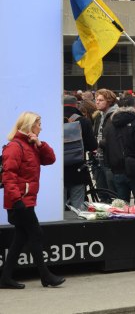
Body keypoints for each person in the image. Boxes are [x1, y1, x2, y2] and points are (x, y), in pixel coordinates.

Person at [0, 112, 65, 289]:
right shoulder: (15, 147)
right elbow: (8, 176)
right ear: (29, 125)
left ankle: (5, 278)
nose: (41, 127)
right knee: (35, 234)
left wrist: (39, 143)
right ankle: (46, 276)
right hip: (20, 202)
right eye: (38, 123)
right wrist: (17, 200)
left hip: (25, 200)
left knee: (21, 238)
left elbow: (50, 159)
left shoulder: (30, 145)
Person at [101, 96, 135, 206]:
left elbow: (106, 147)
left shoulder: (110, 124)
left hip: (117, 171)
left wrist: (111, 167)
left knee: (121, 207)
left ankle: (123, 223)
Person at [63, 95, 97, 210]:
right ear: (76, 105)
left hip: (59, 170)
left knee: (59, 206)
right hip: (77, 168)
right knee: (78, 205)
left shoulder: (52, 119)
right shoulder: (83, 121)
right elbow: (92, 145)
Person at [93, 89, 119, 196]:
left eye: (101, 100)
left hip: (109, 160)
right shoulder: (98, 116)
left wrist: (99, 144)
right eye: (96, 100)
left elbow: (114, 139)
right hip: (98, 159)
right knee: (102, 193)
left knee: (113, 193)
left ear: (109, 101)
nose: (97, 102)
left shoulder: (115, 116)